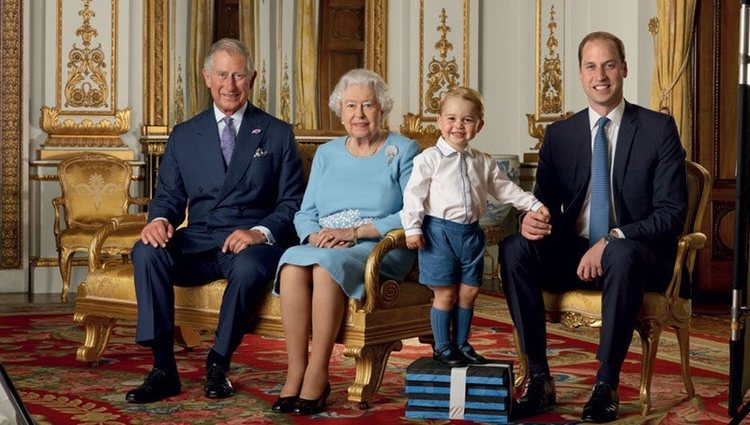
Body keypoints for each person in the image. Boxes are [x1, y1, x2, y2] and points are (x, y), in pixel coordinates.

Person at [499, 31, 687, 423]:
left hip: (635, 255)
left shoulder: (657, 129)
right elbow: (544, 205)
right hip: (574, 253)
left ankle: (605, 384)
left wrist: (614, 237)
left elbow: (671, 213)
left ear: (624, 69)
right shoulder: (560, 135)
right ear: (580, 75)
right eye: (591, 66)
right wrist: (529, 220)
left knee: (619, 251)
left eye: (609, 64)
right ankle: (538, 379)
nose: (600, 74)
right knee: (515, 247)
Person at [125, 38, 304, 404]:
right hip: (200, 239)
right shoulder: (185, 134)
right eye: (222, 75)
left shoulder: (277, 132)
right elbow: (169, 198)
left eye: (238, 75)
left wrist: (259, 232)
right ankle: (163, 368)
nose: (230, 85)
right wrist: (158, 220)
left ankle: (218, 364)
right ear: (207, 77)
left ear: (251, 79)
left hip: (249, 243)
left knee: (252, 266)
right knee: (146, 251)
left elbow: (293, 202)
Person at [272, 68, 419, 415]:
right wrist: (313, 235)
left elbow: (412, 213)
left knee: (326, 269)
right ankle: (296, 370)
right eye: (351, 106)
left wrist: (355, 233)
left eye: (368, 105)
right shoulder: (327, 153)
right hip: (325, 243)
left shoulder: (403, 149)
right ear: (340, 111)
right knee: (292, 263)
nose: (359, 114)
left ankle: (318, 373)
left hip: (377, 247)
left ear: (381, 109)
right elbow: (304, 212)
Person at [400, 87, 548, 367]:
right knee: (445, 293)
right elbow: (413, 195)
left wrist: (533, 204)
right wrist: (412, 228)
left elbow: (505, 189)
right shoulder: (428, 159)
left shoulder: (482, 161)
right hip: (439, 234)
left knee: (468, 292)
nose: (458, 126)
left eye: (467, 120)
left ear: (479, 126)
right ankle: (442, 347)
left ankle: (462, 343)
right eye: (451, 119)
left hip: (471, 235)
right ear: (440, 122)